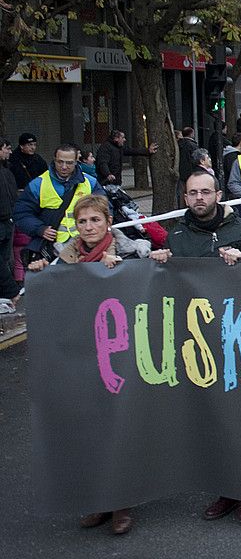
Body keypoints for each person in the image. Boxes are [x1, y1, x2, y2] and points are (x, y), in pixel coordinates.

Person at [27, 194, 149, 535]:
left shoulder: (129, 250)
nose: (89, 227)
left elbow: (152, 277)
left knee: (118, 427)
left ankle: (122, 502)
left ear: (108, 222)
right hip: (81, 356)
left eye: (95, 220)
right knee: (88, 429)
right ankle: (98, 500)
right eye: (82, 222)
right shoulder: (63, 258)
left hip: (121, 355)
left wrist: (123, 269)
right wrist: (40, 273)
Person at [152, 169, 241, 528]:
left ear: (218, 194)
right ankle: (225, 489)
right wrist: (159, 266)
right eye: (192, 193)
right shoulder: (178, 238)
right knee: (212, 418)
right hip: (198, 343)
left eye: (205, 192)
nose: (199, 198)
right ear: (184, 198)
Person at [13, 143, 99, 263]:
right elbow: (22, 213)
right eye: (60, 162)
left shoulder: (90, 182)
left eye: (69, 163)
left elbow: (104, 211)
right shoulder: (38, 184)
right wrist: (40, 229)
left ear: (76, 162)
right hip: (52, 248)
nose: (64, 166)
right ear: (54, 160)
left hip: (87, 245)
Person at [0, 138, 18, 308]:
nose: (9, 152)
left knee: (6, 259)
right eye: (6, 148)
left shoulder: (6, 171)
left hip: (8, 221)